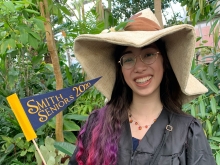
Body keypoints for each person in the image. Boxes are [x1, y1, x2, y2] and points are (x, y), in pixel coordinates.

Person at [69, 8, 215, 165]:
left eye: (149, 54)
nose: (139, 67)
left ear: (165, 62)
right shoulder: (98, 126)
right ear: (121, 69)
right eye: (129, 59)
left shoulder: (187, 132)